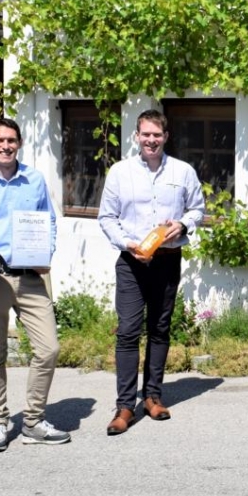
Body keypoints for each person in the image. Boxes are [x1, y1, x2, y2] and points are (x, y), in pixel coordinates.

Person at [0, 118, 71, 451]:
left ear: (19, 144)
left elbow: (48, 222)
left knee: (49, 349)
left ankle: (33, 421)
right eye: (0, 140)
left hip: (31, 276)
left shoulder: (33, 180)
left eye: (12, 140)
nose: (6, 146)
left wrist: (46, 253)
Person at [98, 110, 205, 435]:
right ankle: (125, 406)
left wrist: (184, 223)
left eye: (157, 135)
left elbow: (197, 208)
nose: (151, 140)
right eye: (146, 134)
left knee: (159, 328)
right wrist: (126, 242)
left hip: (168, 259)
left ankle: (153, 396)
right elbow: (106, 217)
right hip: (131, 262)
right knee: (129, 331)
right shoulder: (120, 172)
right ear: (137, 136)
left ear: (166, 136)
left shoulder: (183, 171)